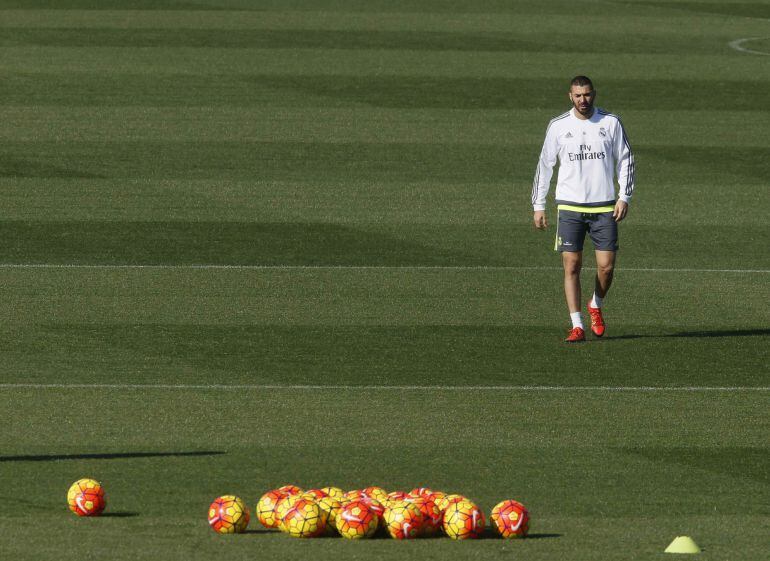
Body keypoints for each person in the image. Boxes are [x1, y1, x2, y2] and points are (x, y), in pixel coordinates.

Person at [531, 76, 635, 342]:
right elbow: (545, 165)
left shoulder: (610, 122)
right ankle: (577, 325)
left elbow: (625, 159)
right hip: (570, 205)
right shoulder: (558, 126)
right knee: (572, 265)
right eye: (578, 95)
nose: (583, 100)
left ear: (594, 94)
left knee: (606, 267)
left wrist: (624, 197)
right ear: (570, 96)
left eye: (587, 95)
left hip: (604, 206)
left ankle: (596, 305)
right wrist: (539, 205)